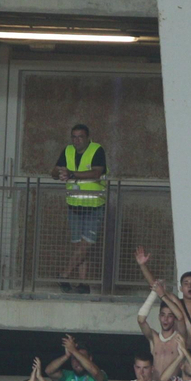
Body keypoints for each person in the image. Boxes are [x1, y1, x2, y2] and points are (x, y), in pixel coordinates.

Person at [51, 123, 107, 292]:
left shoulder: (97, 150)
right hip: (74, 205)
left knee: (87, 244)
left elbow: (97, 172)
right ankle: (83, 284)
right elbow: (54, 171)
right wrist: (59, 173)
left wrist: (72, 174)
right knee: (79, 246)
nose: (76, 140)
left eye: (80, 137)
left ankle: (64, 275)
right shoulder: (67, 151)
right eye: (74, 137)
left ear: (88, 138)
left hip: (93, 205)